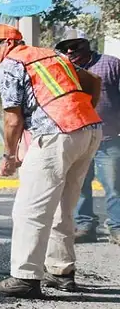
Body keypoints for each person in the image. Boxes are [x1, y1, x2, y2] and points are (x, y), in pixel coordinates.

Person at [0, 24, 103, 297]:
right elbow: (94, 82)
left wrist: (8, 157)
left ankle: (25, 277)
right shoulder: (52, 56)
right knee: (63, 207)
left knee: (29, 209)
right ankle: (61, 272)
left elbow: (12, 118)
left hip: (58, 132)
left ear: (8, 43)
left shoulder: (10, 64)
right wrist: (79, 113)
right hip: (89, 131)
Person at [55, 30, 120, 245]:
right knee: (79, 185)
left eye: (75, 45)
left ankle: (117, 228)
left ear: (86, 43)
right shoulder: (63, 70)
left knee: (114, 185)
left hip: (109, 138)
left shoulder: (111, 64)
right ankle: (85, 226)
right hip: (78, 138)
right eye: (65, 48)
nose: (70, 51)